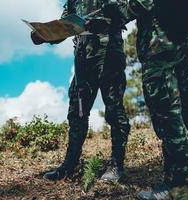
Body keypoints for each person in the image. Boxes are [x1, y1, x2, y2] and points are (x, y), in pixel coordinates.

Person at [101, 0, 188, 199]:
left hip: (159, 47)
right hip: (185, 41)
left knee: (167, 117)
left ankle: (178, 185)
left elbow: (140, 4)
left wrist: (114, 10)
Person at [31, 0, 130, 183]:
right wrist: (44, 35)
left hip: (109, 53)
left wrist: (109, 18)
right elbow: (65, 25)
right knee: (77, 111)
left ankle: (116, 165)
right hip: (83, 58)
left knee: (114, 111)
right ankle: (70, 165)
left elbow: (127, 10)